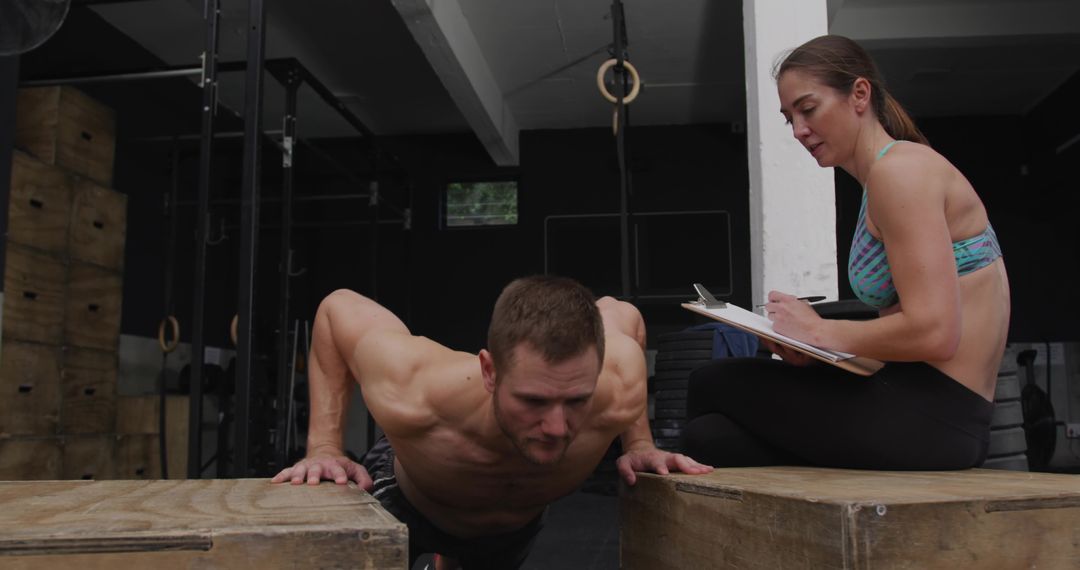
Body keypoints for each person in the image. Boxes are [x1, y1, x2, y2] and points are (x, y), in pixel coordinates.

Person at [682, 35, 1010, 470]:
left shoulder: (901, 173)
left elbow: (935, 333)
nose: (799, 130)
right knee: (712, 438)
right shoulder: (885, 178)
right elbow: (904, 336)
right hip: (922, 402)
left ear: (859, 94)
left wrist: (820, 331)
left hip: (938, 417)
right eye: (789, 118)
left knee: (713, 382)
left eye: (808, 108)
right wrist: (807, 347)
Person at [272, 276, 711, 569]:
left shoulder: (618, 379)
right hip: (411, 500)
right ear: (489, 372)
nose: (557, 427)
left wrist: (637, 443)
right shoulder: (414, 387)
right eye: (533, 400)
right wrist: (324, 447)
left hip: (510, 531)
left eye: (575, 399)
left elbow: (624, 313)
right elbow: (336, 308)